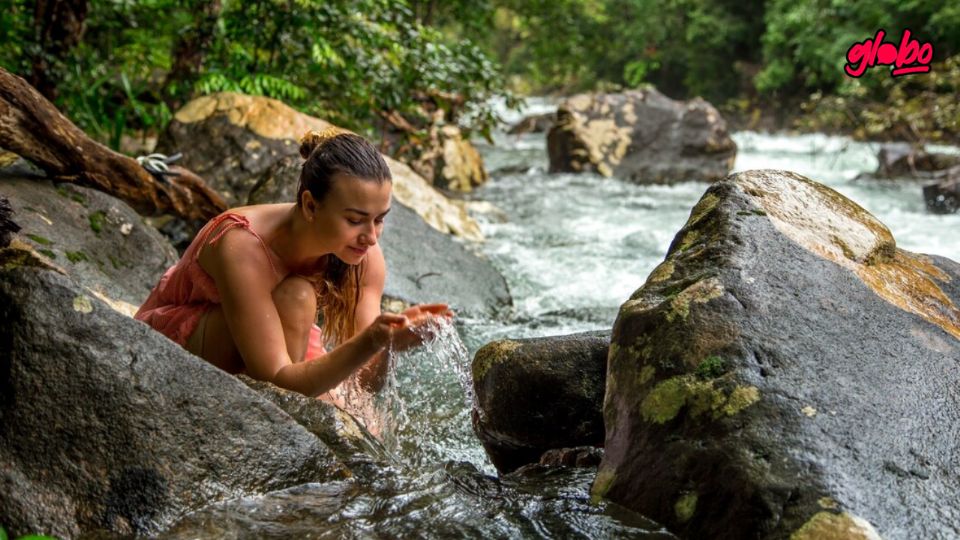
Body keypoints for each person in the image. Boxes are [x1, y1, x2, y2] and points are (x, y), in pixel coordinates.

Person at [135, 126, 452, 406]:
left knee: (359, 415)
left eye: (380, 219)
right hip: (170, 346)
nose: (370, 237)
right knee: (298, 296)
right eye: (355, 220)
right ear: (311, 205)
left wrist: (387, 345)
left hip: (274, 343)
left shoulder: (363, 255)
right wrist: (370, 340)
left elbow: (365, 385)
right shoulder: (242, 245)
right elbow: (275, 380)